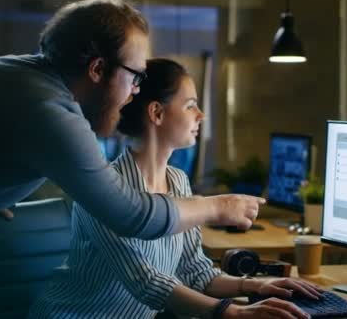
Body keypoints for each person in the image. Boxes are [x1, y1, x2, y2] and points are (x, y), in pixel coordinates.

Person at [27, 58, 320, 319]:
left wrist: (259, 286)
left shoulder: (178, 181)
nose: (201, 115)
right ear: (156, 113)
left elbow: (196, 272)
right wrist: (232, 312)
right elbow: (146, 282)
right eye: (191, 105)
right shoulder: (103, 189)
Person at [0, 0, 263, 241]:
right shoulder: (49, 112)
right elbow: (133, 216)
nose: (136, 90)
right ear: (97, 69)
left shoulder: (20, 77)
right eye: (135, 76)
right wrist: (219, 206)